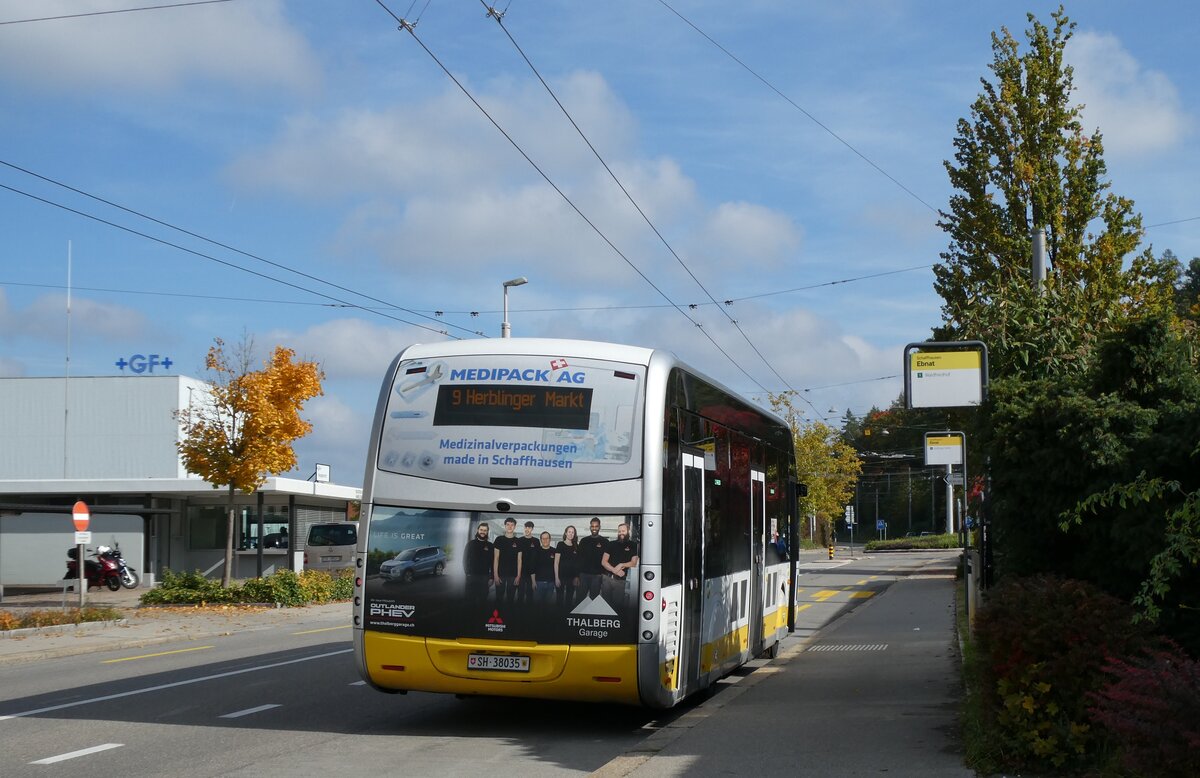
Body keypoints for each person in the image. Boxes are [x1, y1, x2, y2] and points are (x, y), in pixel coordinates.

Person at [602, 523, 639, 608]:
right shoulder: (611, 544)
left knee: (617, 607)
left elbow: (633, 563)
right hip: (607, 579)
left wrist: (621, 564)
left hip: (621, 581)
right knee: (604, 606)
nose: (621, 533)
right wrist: (614, 570)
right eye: (619, 531)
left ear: (628, 531)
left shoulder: (634, 545)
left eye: (623, 531)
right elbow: (604, 562)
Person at [463, 522, 494, 614]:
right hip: (471, 576)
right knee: (469, 600)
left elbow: (493, 563)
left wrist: (491, 577)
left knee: (483, 601)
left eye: (485, 530)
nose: (482, 532)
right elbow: (465, 559)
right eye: (481, 530)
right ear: (478, 530)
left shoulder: (490, 546)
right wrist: (467, 573)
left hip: (484, 577)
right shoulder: (470, 544)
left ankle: (480, 618)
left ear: (487, 532)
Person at [492, 517, 522, 606]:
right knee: (498, 598)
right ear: (505, 526)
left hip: (513, 575)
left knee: (511, 599)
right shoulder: (499, 539)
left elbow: (519, 560)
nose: (510, 527)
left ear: (515, 527)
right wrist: (495, 575)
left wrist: (518, 576)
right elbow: (496, 558)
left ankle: (509, 614)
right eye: (508, 524)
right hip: (500, 574)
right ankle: (497, 615)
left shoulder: (518, 541)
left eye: (512, 525)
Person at [578, 517, 608, 601]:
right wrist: (577, 575)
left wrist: (603, 574)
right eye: (592, 526)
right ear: (590, 527)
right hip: (583, 575)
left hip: (597, 576)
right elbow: (578, 558)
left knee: (594, 600)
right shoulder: (584, 541)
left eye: (596, 526)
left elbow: (607, 559)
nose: (594, 528)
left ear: (599, 527)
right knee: (579, 600)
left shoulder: (605, 541)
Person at [555, 525, 581, 608]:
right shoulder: (560, 544)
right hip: (561, 577)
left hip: (571, 578)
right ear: (566, 533)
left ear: (574, 534)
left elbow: (577, 563)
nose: (571, 534)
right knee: (559, 600)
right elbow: (556, 562)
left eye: (573, 532)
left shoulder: (576, 546)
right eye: (569, 532)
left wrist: (577, 577)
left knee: (569, 601)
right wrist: (556, 578)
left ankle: (566, 614)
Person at [517, 520, 540, 607]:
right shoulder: (519, 540)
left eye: (529, 528)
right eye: (525, 527)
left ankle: (528, 612)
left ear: (532, 529)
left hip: (532, 573)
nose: (527, 529)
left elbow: (537, 558)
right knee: (520, 594)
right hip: (521, 572)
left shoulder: (536, 541)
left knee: (530, 595)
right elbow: (518, 558)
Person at [532, 531, 558, 606]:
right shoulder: (536, 551)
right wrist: (533, 582)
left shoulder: (554, 551)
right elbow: (532, 567)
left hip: (551, 583)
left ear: (550, 539)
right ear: (541, 540)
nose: (545, 540)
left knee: (548, 605)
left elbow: (557, 566)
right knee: (537, 605)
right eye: (543, 538)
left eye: (547, 538)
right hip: (538, 583)